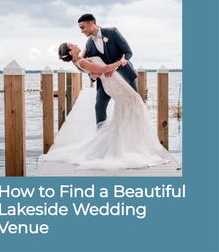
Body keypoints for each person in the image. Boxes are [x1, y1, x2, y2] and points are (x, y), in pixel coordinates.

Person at [43, 42, 171, 170]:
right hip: (113, 82)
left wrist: (94, 73)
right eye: (72, 45)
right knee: (135, 102)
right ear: (70, 52)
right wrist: (120, 62)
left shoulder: (79, 61)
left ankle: (130, 143)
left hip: (113, 81)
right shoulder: (81, 62)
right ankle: (132, 145)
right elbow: (103, 69)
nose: (76, 44)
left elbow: (95, 72)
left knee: (127, 107)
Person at [77, 13, 137, 128]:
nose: (81, 31)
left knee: (133, 104)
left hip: (124, 74)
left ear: (91, 24)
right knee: (99, 106)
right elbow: (91, 65)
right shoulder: (89, 43)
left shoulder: (112, 32)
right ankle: (100, 136)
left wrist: (117, 65)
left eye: (82, 27)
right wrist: (92, 76)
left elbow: (128, 52)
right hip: (105, 80)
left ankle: (134, 132)